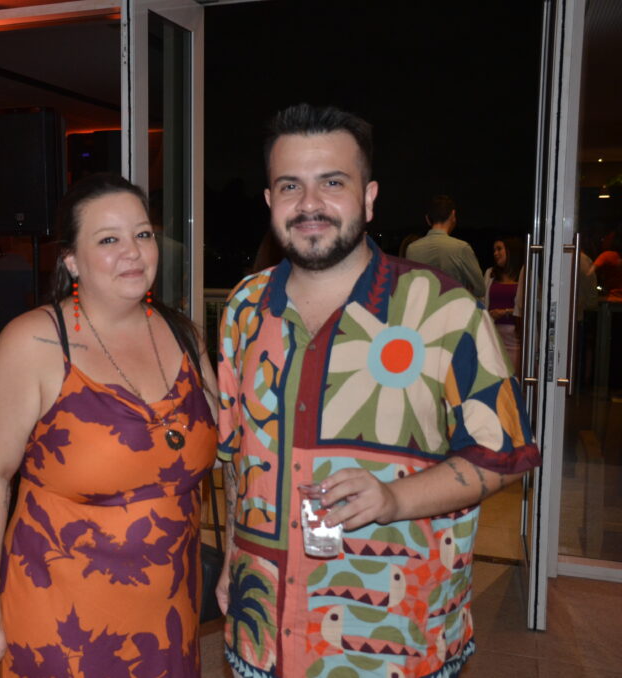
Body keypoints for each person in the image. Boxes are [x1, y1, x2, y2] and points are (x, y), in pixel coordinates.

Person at [214, 104, 540, 678]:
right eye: (291, 186)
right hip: (263, 635)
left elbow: (505, 457)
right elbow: (241, 456)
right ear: (270, 203)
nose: (310, 204)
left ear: (368, 197)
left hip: (395, 641)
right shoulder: (243, 308)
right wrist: (232, 559)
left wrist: (394, 500)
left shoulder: (443, 309)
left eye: (332, 183)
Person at [0, 174, 218, 677]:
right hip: (63, 615)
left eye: (142, 235)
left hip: (169, 610)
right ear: (72, 261)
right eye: (108, 240)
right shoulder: (33, 343)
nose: (133, 252)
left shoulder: (183, 333)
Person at [405, 195, 485, 298]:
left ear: (427, 219)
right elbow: (480, 289)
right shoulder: (461, 248)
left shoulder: (412, 249)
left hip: (425, 312)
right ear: (453, 215)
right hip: (454, 310)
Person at [482, 237, 523, 374]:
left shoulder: (523, 276)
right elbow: (483, 301)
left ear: (511, 251)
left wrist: (506, 312)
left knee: (514, 379)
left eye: (499, 249)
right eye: (494, 250)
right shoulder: (490, 274)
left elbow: (529, 306)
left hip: (516, 339)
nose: (495, 253)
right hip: (494, 336)